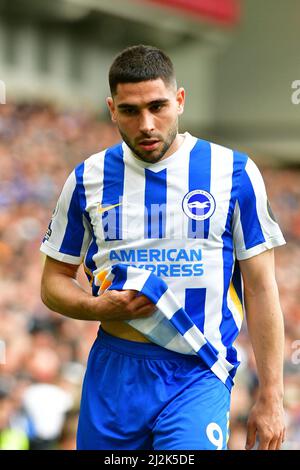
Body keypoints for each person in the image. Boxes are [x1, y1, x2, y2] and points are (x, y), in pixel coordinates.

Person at [40, 44, 286, 450]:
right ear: (111, 109)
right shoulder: (87, 179)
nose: (147, 124)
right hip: (114, 371)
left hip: (196, 371)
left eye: (158, 106)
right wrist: (98, 308)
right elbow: (53, 282)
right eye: (131, 110)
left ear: (181, 100)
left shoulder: (234, 173)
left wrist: (271, 396)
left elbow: (261, 288)